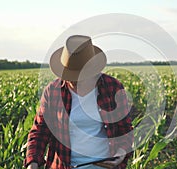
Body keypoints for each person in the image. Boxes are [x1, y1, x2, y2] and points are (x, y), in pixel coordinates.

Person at [24, 35, 133, 169]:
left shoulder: (112, 88)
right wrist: (32, 162)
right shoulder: (53, 91)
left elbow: (125, 130)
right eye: (69, 75)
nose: (73, 81)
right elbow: (40, 131)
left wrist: (121, 154)